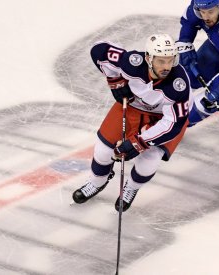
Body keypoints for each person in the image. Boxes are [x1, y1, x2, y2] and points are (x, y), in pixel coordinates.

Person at [72, 34, 193, 212]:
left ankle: (131, 188)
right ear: (148, 58)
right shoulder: (132, 62)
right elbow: (99, 50)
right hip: (132, 107)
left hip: (163, 121)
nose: (166, 67)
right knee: (103, 151)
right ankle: (97, 182)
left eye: (170, 60)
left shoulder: (179, 85)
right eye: (161, 61)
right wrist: (115, 81)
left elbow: (173, 124)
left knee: (148, 163)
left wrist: (139, 142)